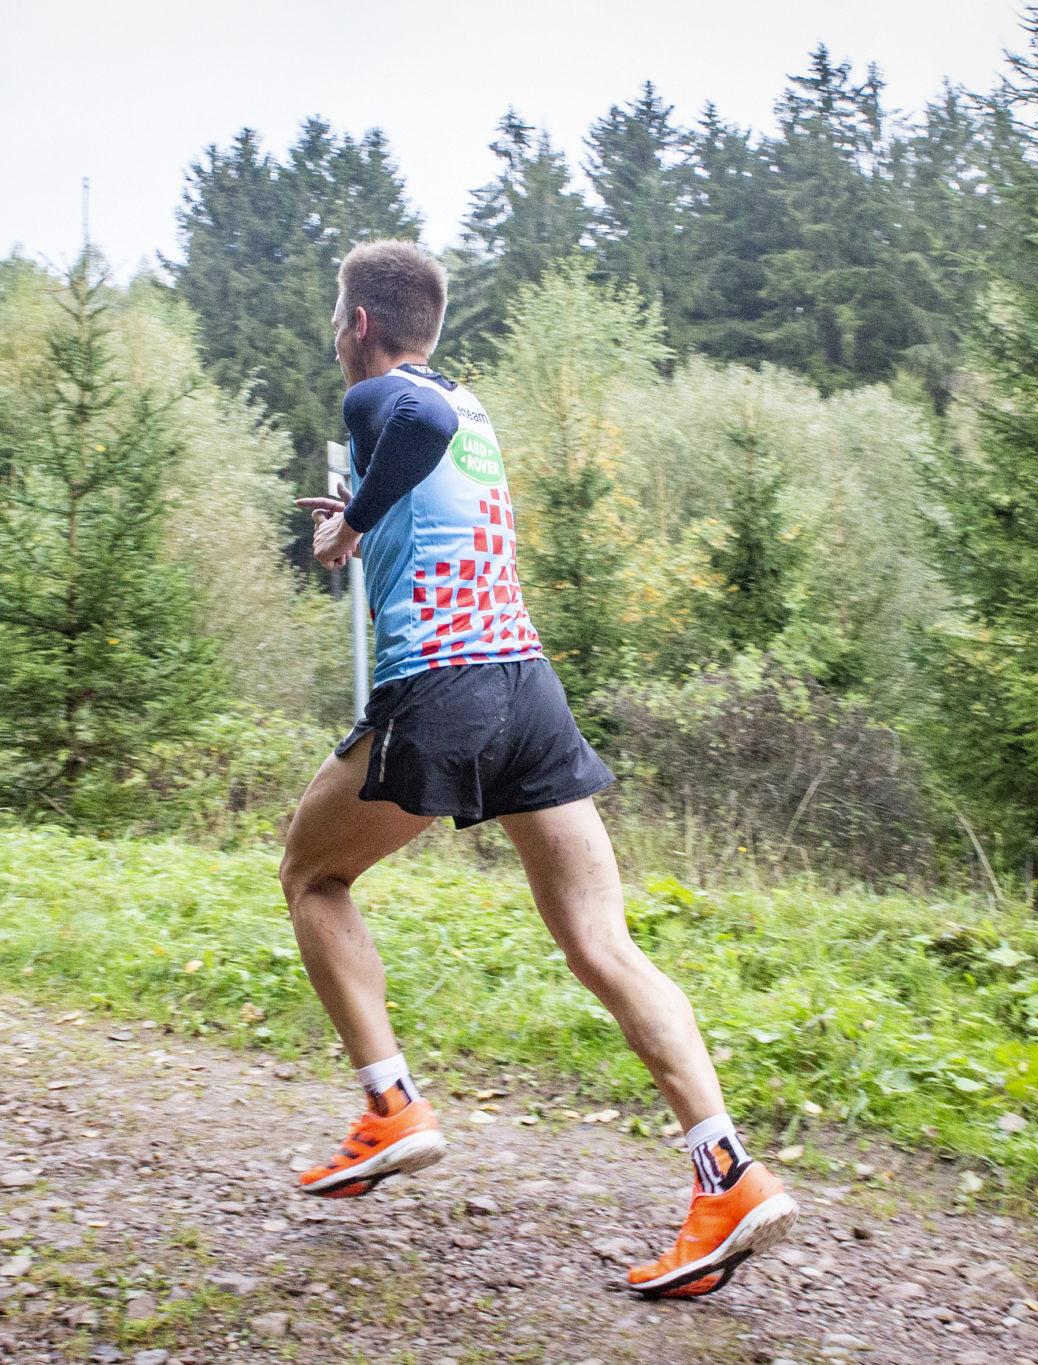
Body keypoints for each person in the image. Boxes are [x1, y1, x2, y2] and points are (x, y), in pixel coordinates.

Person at [277, 239, 796, 1298]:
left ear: (361, 325)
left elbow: (399, 427)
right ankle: (726, 1176)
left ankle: (388, 1106)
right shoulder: (468, 406)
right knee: (602, 943)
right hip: (526, 689)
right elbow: (427, 473)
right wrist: (362, 523)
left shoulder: (386, 401)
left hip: (447, 692)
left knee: (309, 875)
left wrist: (349, 530)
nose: (336, 338)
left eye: (337, 321)